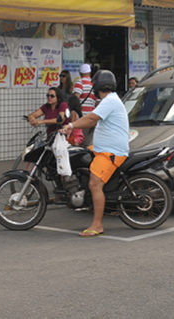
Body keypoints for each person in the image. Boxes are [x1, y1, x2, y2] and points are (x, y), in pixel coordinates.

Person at [61, 70, 130, 237]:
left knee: (94, 184)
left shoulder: (110, 101)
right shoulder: (110, 100)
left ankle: (97, 225)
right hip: (102, 150)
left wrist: (71, 126)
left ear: (97, 85)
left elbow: (91, 119)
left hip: (111, 152)